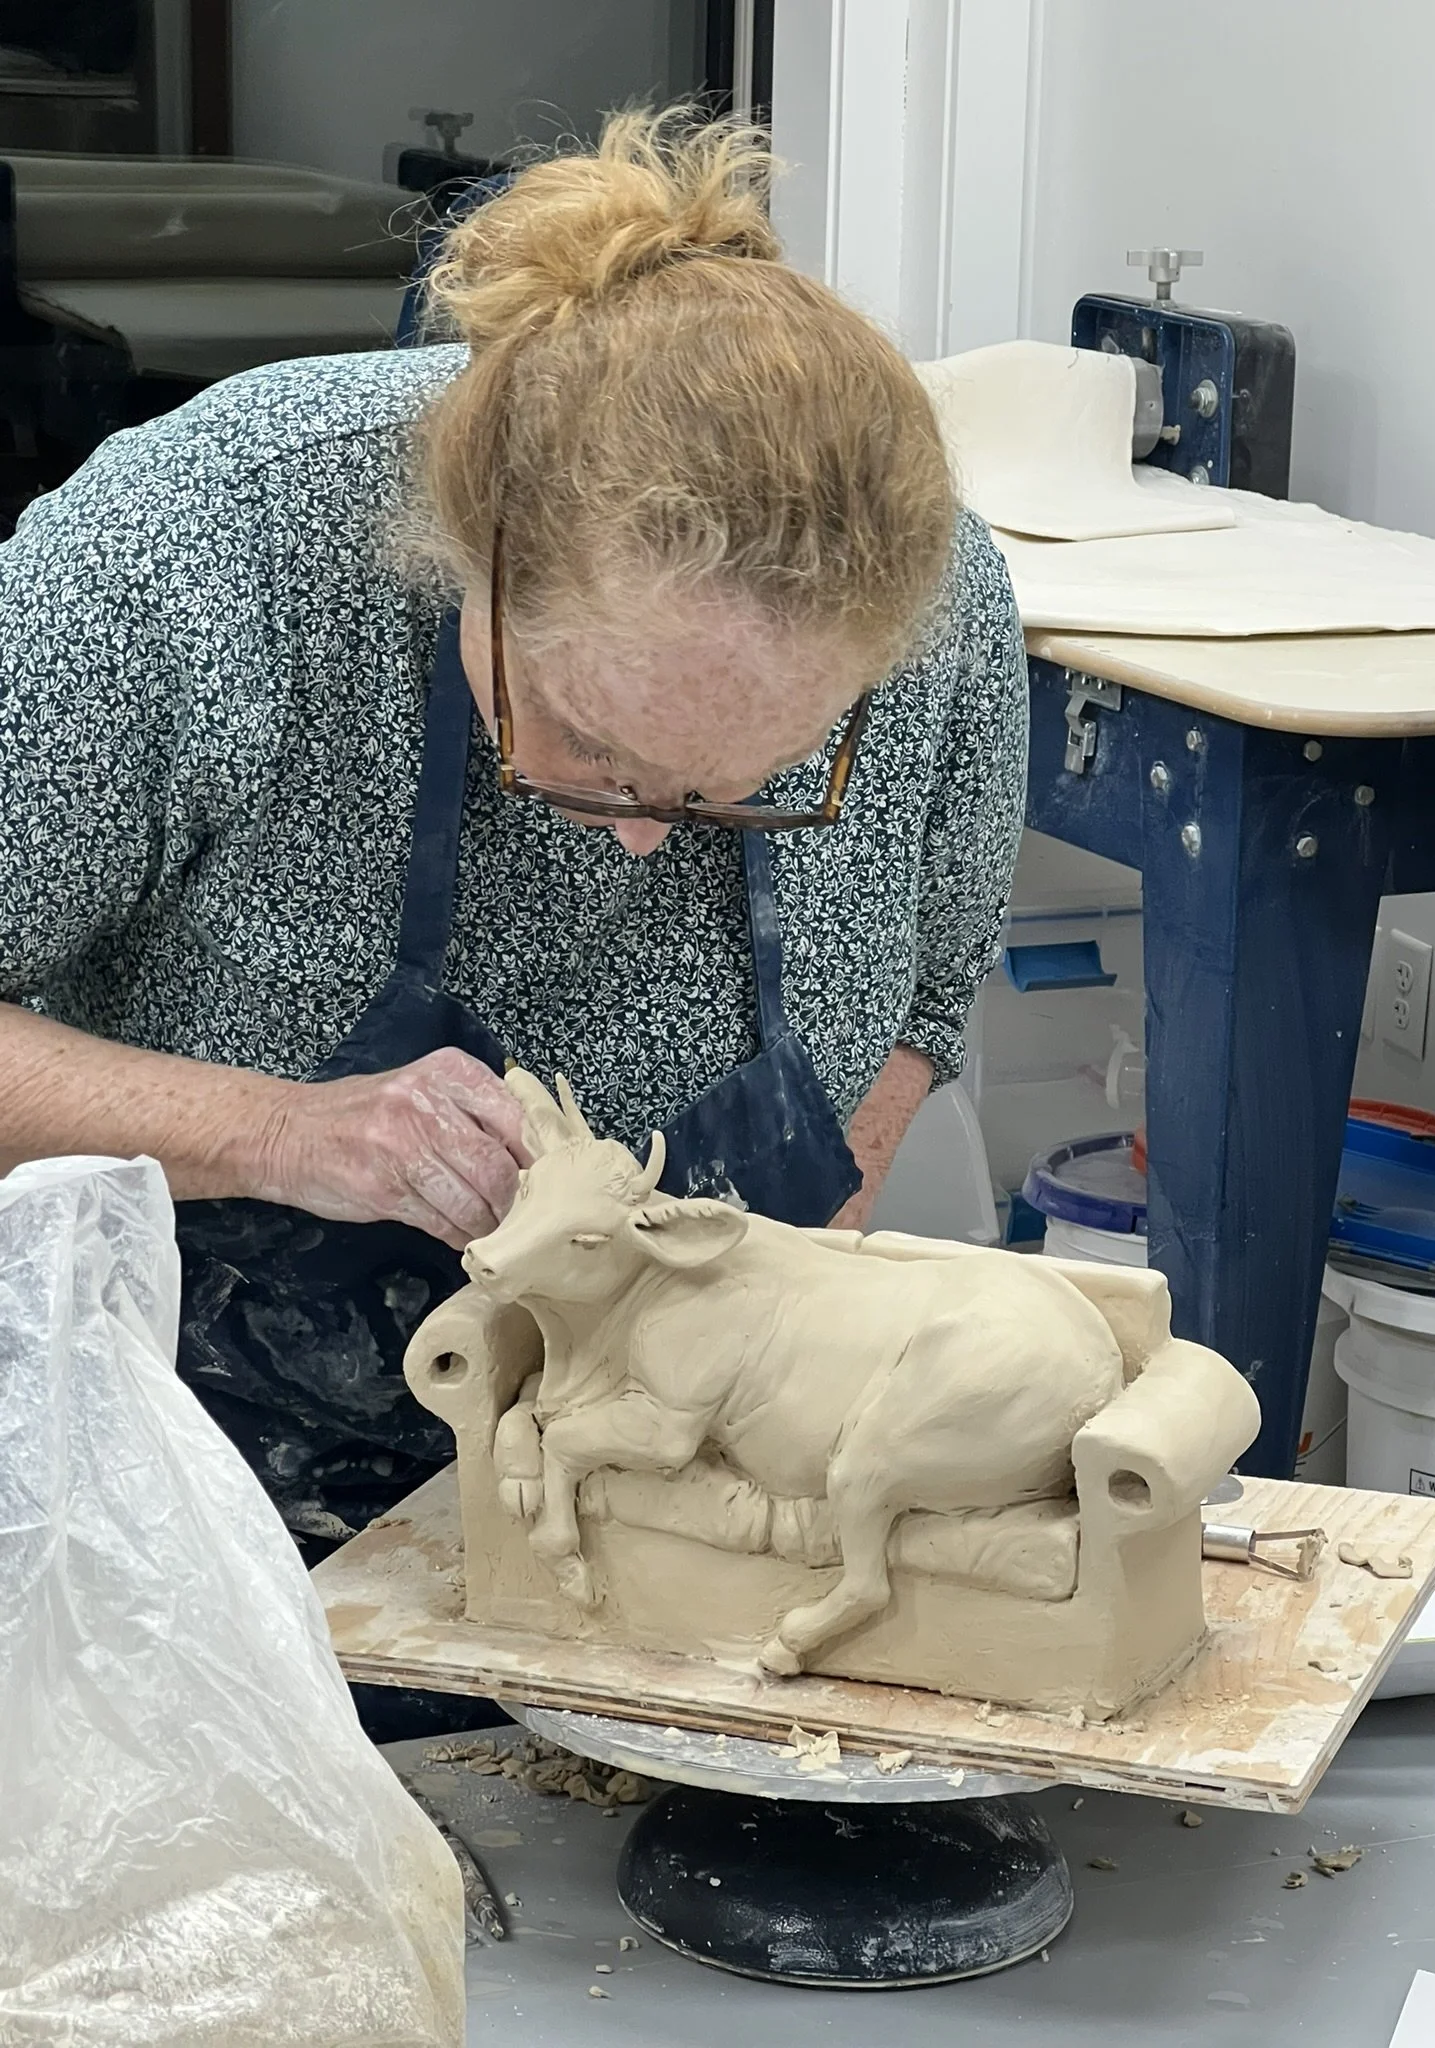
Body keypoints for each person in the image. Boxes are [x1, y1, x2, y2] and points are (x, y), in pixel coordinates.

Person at [0, 112, 1027, 1676]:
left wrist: (782, 1320)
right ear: (464, 554)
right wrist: (275, 1131)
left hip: (652, 1529)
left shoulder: (938, 605)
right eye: (594, 750)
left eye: (750, 783)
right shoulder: (198, 559)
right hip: (172, 1518)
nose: (641, 838)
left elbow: (920, 1011)